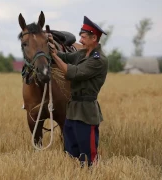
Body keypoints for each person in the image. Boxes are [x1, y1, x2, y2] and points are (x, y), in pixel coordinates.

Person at [48, 16, 108, 167]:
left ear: (94, 38)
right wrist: (52, 48)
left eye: (83, 37)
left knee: (88, 157)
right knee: (70, 153)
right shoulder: (83, 53)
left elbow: (72, 73)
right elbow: (66, 57)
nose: (80, 41)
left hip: (87, 112)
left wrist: (54, 56)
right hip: (73, 110)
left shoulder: (98, 60)